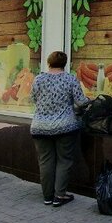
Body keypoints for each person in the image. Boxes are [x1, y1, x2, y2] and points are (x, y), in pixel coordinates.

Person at [30, 51, 88, 207]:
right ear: (65, 64)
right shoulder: (70, 79)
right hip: (65, 127)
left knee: (45, 162)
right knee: (64, 161)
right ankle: (59, 196)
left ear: (48, 63)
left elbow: (33, 98)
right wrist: (90, 100)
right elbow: (81, 102)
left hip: (40, 127)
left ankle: (47, 197)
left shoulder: (38, 79)